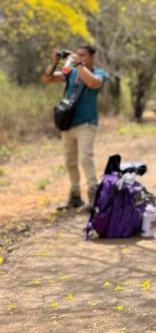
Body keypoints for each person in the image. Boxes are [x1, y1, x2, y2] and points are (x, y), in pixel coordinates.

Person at [41, 44, 108, 210]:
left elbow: (93, 83)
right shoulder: (71, 72)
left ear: (92, 57)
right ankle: (75, 197)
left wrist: (79, 65)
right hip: (68, 123)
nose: (79, 57)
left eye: (83, 55)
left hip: (87, 123)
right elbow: (47, 79)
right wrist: (55, 62)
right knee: (70, 162)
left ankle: (94, 198)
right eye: (77, 55)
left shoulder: (99, 73)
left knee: (85, 158)